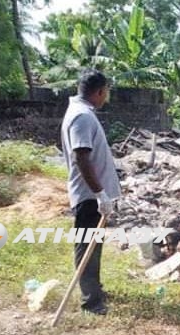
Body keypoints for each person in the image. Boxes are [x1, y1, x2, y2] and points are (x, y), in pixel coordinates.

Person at [60, 69, 120, 316]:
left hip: (91, 194)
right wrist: (99, 193)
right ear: (99, 91)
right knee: (87, 245)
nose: (106, 97)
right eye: (106, 92)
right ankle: (91, 301)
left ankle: (94, 291)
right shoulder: (82, 116)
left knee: (93, 246)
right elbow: (81, 157)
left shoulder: (83, 113)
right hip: (88, 196)